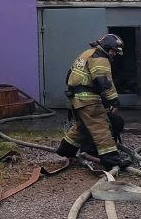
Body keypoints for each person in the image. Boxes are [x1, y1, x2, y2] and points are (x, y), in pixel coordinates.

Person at [56, 33, 133, 169]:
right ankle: (112, 160)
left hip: (77, 98)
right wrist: (113, 102)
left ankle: (65, 150)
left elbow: (70, 74)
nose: (114, 54)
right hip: (88, 99)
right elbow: (104, 81)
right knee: (100, 126)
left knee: (82, 127)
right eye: (114, 51)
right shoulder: (100, 58)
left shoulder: (87, 54)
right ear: (107, 46)